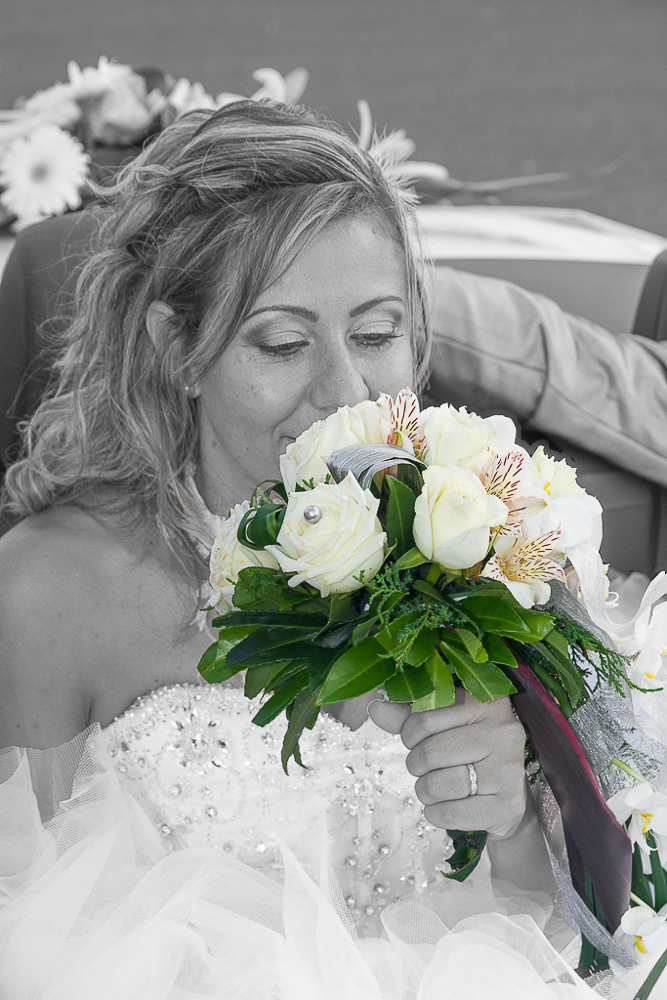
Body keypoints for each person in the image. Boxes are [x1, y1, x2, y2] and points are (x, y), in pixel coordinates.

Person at [0, 100, 642, 998]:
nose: (346, 392)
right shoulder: (49, 593)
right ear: (177, 347)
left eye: (375, 335)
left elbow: (573, 932)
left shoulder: (490, 541)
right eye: (283, 343)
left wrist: (512, 828)